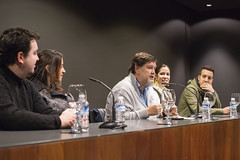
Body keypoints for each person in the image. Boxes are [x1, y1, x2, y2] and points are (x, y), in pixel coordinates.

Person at [0, 27, 76, 130]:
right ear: (20, 57)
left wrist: (70, 117)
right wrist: (59, 121)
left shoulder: (27, 85)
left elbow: (46, 112)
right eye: (34, 53)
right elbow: (10, 116)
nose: (38, 58)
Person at [105, 52, 177, 121]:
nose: (153, 72)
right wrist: (147, 112)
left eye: (154, 69)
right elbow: (119, 118)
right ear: (137, 69)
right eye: (149, 68)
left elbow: (153, 116)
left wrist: (164, 114)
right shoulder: (122, 89)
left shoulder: (150, 90)